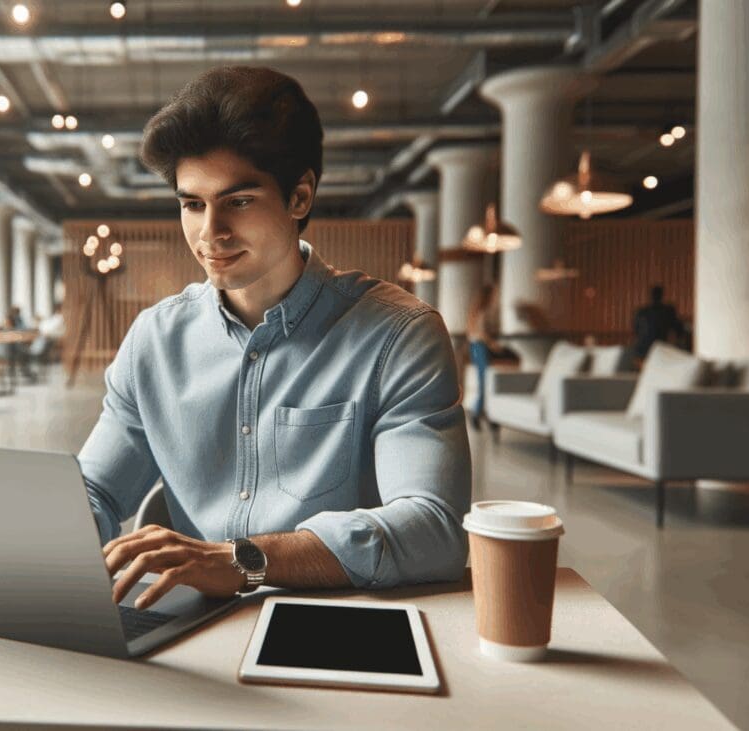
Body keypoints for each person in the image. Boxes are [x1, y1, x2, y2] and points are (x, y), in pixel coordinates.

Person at [79, 66, 471, 612]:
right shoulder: (154, 340)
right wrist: (38, 541)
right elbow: (93, 492)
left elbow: (433, 529)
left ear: (300, 197)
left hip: (340, 620)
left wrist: (244, 561)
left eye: (238, 201)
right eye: (193, 204)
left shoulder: (398, 335)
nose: (210, 232)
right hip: (191, 627)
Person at [466, 283, 500, 431]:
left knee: (484, 382)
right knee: (485, 383)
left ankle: (484, 415)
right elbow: (481, 333)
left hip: (475, 347)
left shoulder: (475, 312)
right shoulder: (483, 313)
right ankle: (477, 414)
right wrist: (493, 345)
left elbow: (471, 333)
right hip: (481, 347)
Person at [632, 285, 686, 359]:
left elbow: (636, 330)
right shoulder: (668, 311)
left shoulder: (641, 312)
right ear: (662, 295)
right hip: (659, 349)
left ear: (650, 296)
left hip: (642, 349)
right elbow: (679, 329)